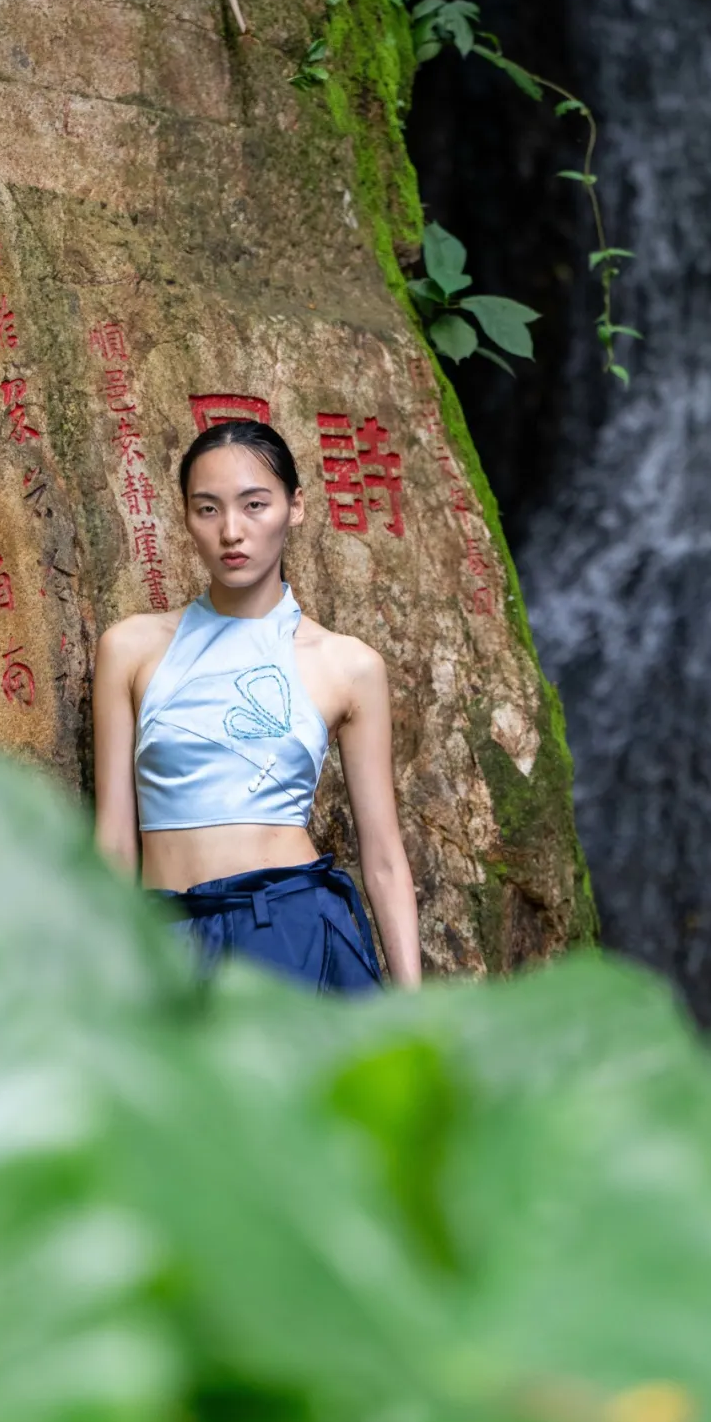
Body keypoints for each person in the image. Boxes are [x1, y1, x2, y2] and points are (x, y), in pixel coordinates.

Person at [92, 418, 422, 992]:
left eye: (254, 505)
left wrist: (414, 1010)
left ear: (295, 507)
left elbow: (384, 856)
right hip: (165, 937)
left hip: (291, 930)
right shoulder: (129, 648)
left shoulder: (348, 664)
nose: (231, 532)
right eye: (208, 509)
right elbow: (114, 843)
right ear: (186, 517)